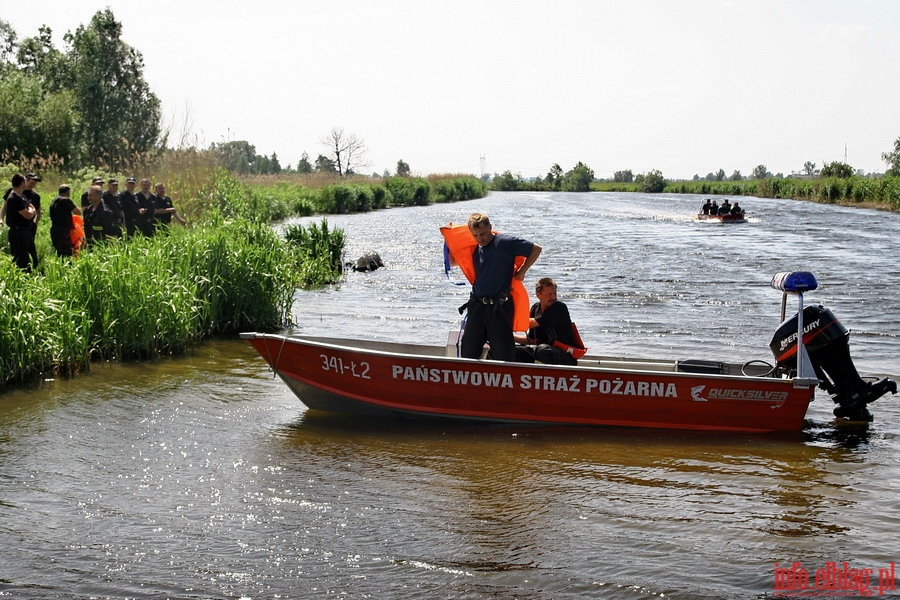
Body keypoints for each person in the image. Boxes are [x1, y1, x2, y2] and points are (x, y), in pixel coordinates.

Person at [459, 212, 541, 362]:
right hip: (477, 305)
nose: (480, 238)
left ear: (490, 227)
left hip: (500, 307)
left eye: (483, 234)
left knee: (503, 354)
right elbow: (453, 258)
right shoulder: (474, 247)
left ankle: (505, 381)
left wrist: (522, 271)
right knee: (468, 351)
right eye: (475, 235)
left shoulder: (505, 242)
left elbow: (536, 249)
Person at [515, 278, 585, 365]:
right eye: (549, 294)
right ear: (538, 295)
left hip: (565, 356)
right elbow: (533, 340)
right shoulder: (535, 308)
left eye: (554, 293)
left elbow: (530, 323)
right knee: (514, 350)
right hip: (543, 352)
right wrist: (511, 337)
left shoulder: (559, 308)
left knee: (542, 350)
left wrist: (506, 322)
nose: (553, 297)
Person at [4, 174, 36, 271]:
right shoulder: (14, 198)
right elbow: (28, 214)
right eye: (25, 181)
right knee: (21, 259)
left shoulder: (21, 196)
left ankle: (31, 273)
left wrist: (31, 210)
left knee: (32, 255)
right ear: (22, 183)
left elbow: (31, 208)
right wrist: (32, 210)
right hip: (18, 232)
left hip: (25, 231)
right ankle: (23, 278)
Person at [48, 185, 82, 257]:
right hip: (63, 232)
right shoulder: (66, 200)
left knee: (59, 253)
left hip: (54, 230)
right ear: (68, 192)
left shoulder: (54, 201)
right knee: (67, 253)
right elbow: (78, 212)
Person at [22, 173, 42, 269]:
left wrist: (35, 223)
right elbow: (5, 205)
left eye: (34, 184)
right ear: (25, 180)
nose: (33, 186)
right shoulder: (17, 192)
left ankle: (33, 268)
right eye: (31, 183)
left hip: (30, 226)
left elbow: (38, 212)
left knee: (30, 248)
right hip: (18, 226)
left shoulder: (35, 196)